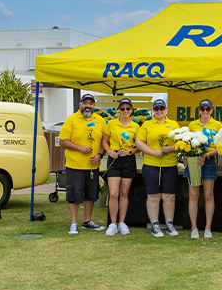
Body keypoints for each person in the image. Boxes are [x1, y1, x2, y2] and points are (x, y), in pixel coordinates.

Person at [58, 93, 107, 235]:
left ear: (94, 106)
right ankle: (73, 223)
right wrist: (80, 148)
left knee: (91, 195)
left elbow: (105, 142)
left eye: (91, 103)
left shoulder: (100, 120)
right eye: (85, 103)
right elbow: (62, 141)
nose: (88, 106)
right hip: (75, 166)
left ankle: (87, 221)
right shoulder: (72, 119)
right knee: (74, 195)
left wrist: (100, 154)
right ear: (80, 104)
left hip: (92, 166)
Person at [135, 99, 180, 238]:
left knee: (169, 196)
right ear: (153, 110)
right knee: (153, 196)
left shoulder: (173, 124)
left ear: (166, 109)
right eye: (156, 109)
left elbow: (181, 142)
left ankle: (169, 224)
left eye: (161, 108)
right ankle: (155, 225)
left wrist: (171, 148)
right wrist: (152, 151)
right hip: (151, 164)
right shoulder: (147, 124)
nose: (159, 111)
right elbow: (138, 142)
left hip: (170, 164)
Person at [102, 98, 140, 236]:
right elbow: (105, 141)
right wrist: (109, 151)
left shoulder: (135, 126)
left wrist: (129, 152)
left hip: (128, 159)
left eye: (128, 109)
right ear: (119, 110)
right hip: (114, 159)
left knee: (124, 193)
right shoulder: (111, 123)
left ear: (132, 110)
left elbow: (139, 146)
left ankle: (122, 222)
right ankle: (112, 223)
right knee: (113, 193)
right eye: (122, 108)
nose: (125, 111)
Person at [185, 99, 222, 239]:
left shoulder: (217, 125)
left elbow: (220, 146)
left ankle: (208, 228)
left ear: (212, 110)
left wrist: (207, 154)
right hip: (194, 161)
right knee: (193, 195)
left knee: (208, 195)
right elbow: (186, 143)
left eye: (208, 109)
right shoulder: (192, 124)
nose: (205, 112)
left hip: (209, 160)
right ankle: (194, 227)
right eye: (202, 109)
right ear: (199, 110)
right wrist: (185, 156)